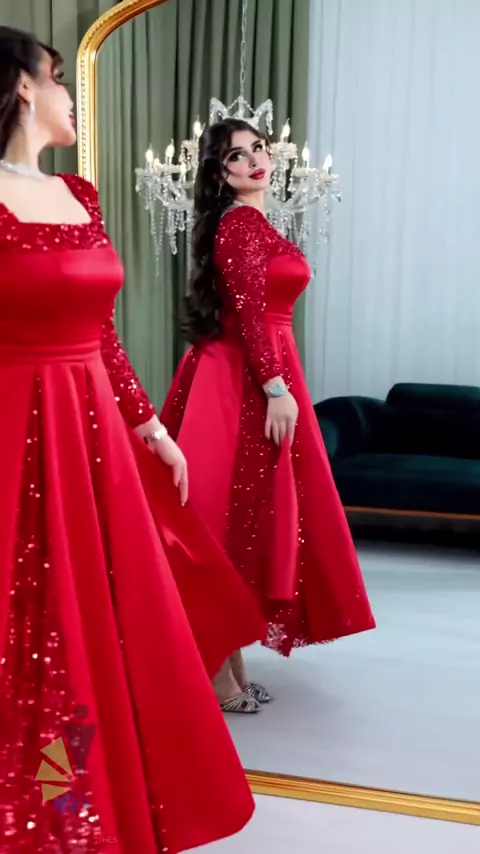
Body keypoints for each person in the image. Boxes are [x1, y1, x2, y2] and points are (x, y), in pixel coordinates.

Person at [0, 27, 266, 854]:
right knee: (30, 626)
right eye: (56, 77)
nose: (67, 95)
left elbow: (103, 331)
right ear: (21, 87)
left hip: (93, 436)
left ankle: (76, 801)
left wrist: (148, 424)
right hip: (14, 429)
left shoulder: (78, 194)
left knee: (98, 623)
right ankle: (38, 810)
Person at [161, 117, 376, 707]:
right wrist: (276, 387)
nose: (255, 160)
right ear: (219, 171)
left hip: (252, 368)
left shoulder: (250, 223)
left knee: (245, 518)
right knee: (225, 517)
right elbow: (252, 315)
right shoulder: (239, 225)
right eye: (237, 155)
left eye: (259, 148)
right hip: (242, 378)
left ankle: (227, 663)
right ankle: (213, 671)